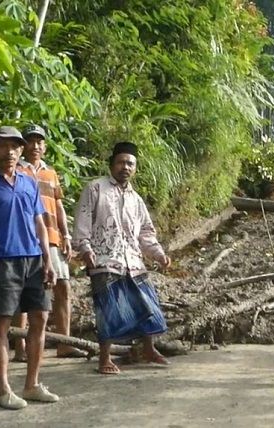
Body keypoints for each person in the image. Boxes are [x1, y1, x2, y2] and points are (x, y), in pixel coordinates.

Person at [0, 125, 60, 409]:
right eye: (4, 146)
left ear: (21, 151)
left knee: (40, 318)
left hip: (33, 259)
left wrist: (47, 259)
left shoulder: (29, 182)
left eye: (15, 146)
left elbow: (39, 223)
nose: (10, 151)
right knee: (2, 324)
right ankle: (4, 390)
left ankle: (31, 384)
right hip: (1, 260)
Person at [73, 141, 172, 375]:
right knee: (108, 310)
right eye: (121, 162)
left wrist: (158, 254)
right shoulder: (95, 189)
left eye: (130, 163)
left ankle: (148, 349)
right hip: (104, 260)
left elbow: (146, 233)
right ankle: (104, 358)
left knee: (148, 305)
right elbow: (83, 221)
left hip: (134, 262)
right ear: (111, 164)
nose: (125, 167)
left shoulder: (136, 199)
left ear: (135, 168)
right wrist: (85, 248)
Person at [11, 125, 88, 361]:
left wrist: (66, 235)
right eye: (31, 141)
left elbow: (59, 206)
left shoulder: (51, 173)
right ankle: (21, 347)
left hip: (53, 239)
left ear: (45, 146)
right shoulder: (15, 171)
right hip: (25, 240)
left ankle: (64, 342)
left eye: (40, 142)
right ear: (23, 146)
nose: (35, 146)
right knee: (24, 291)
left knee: (62, 287)